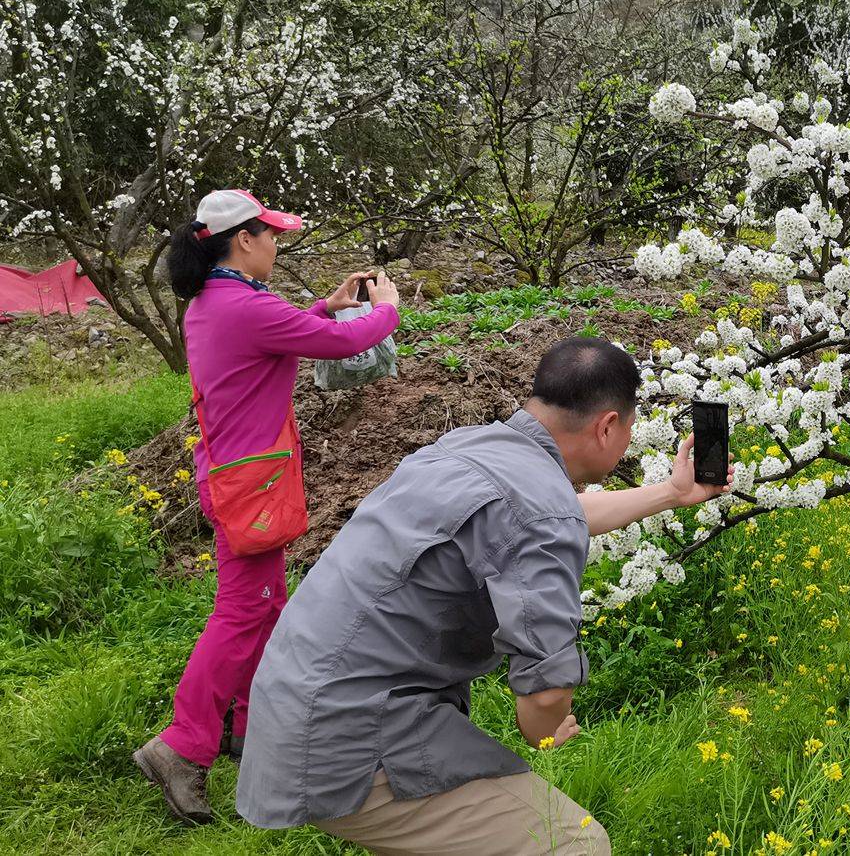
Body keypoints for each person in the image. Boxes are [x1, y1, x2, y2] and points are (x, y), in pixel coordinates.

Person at [235, 336, 730, 854]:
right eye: (627, 428)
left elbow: (546, 518)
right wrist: (542, 729)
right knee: (572, 845)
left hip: (293, 699)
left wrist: (673, 493)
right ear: (607, 426)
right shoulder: (540, 513)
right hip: (351, 736)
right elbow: (541, 697)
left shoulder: (472, 448)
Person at [134, 189, 403, 824]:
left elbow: (283, 332)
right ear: (244, 240)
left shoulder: (215, 302)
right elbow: (335, 345)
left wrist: (324, 306)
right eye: (272, 235)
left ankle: (251, 730)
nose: (277, 245)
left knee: (266, 605)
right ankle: (181, 747)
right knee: (241, 612)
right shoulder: (244, 306)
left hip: (234, 474)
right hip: (251, 483)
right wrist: (384, 310)